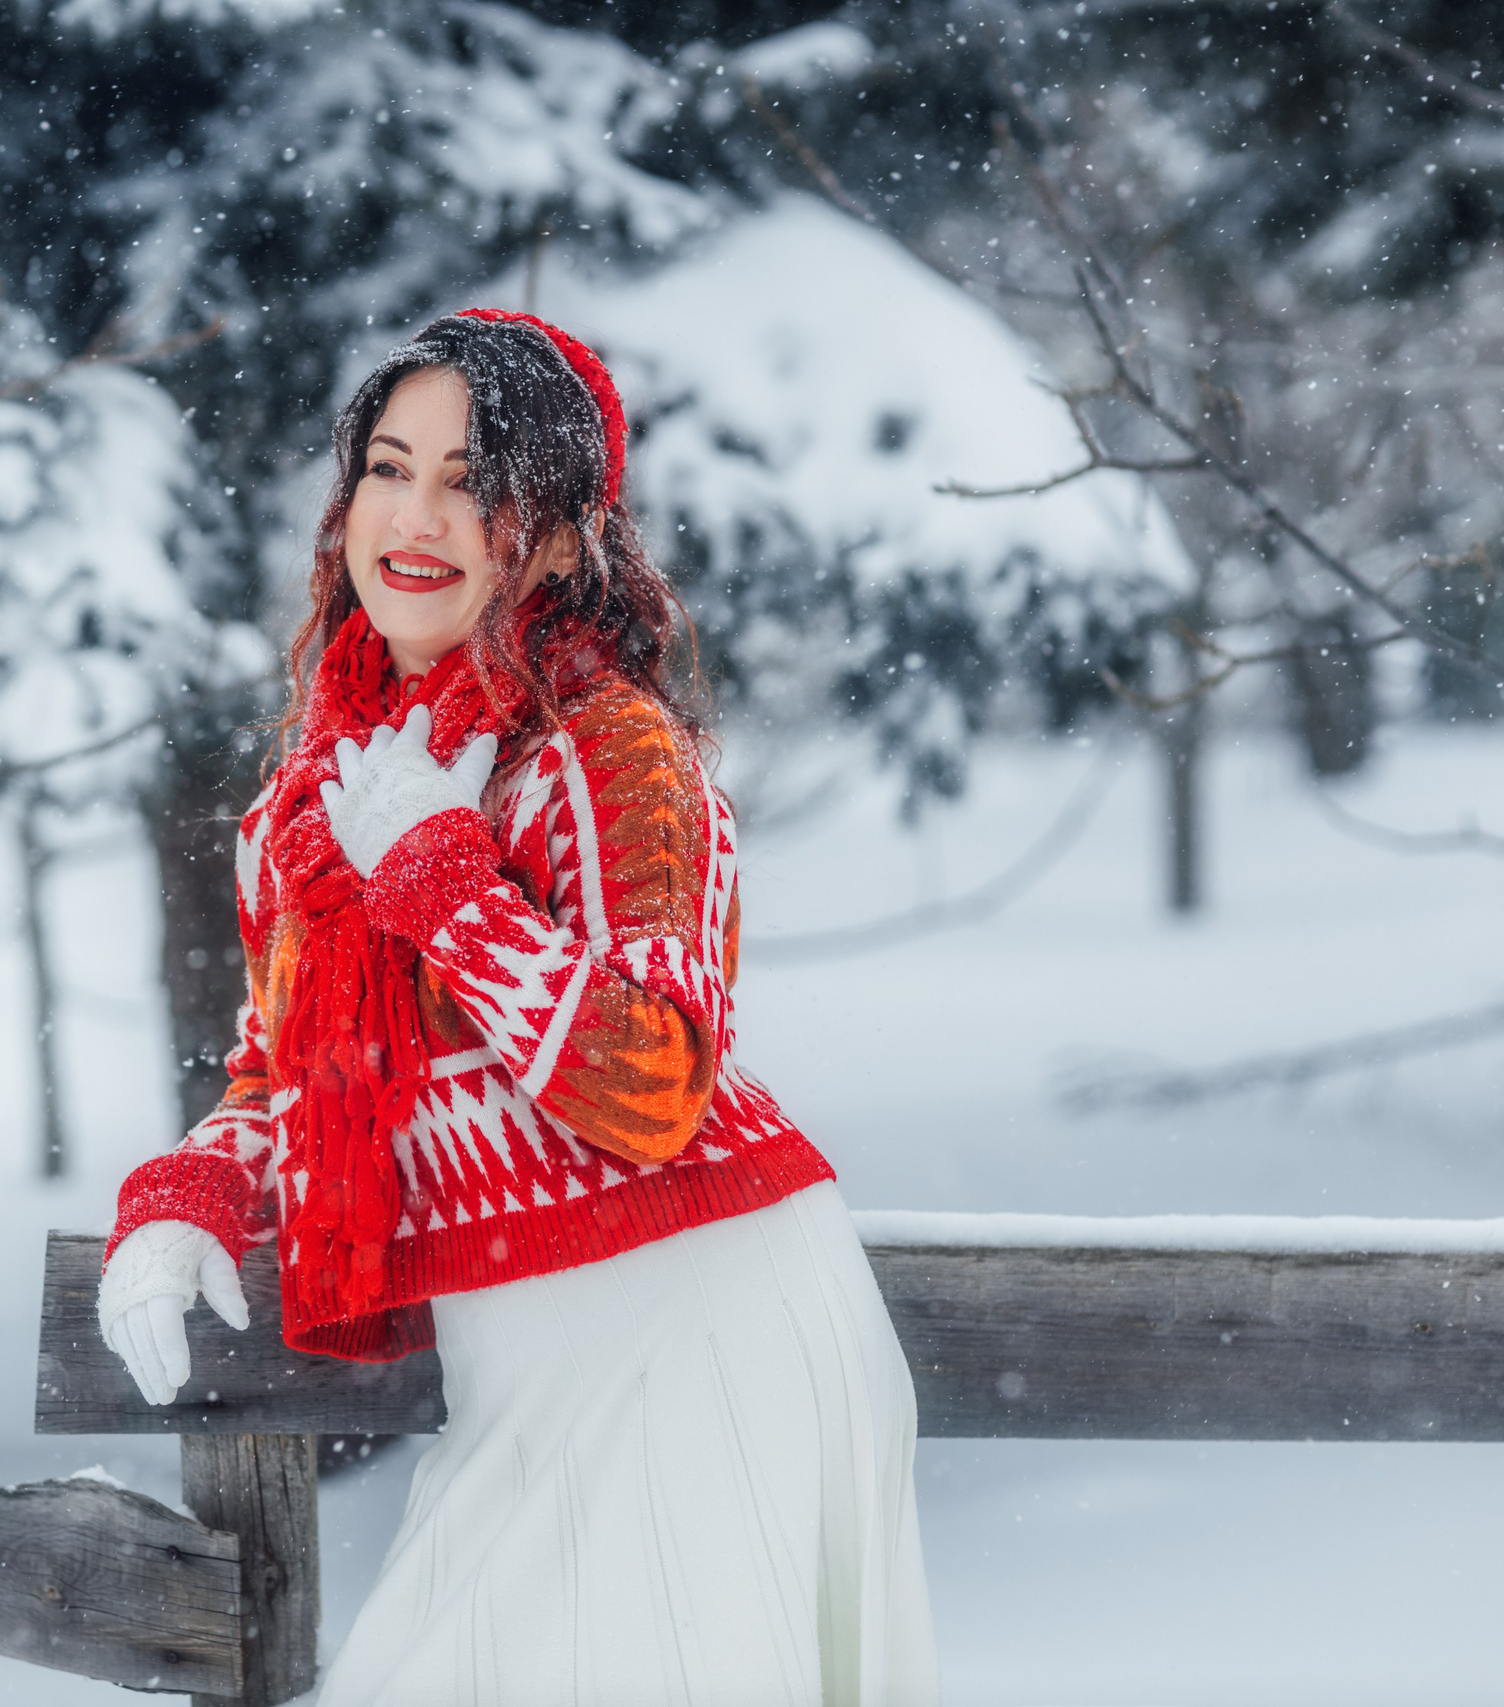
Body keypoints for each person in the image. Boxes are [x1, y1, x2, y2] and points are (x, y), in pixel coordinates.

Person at [97, 309, 941, 1706]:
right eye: (388, 466)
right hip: (531, 1366)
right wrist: (193, 1191)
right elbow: (285, 1075)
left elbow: (653, 1080)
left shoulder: (607, 754)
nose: (417, 515)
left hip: (699, 1322)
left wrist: (444, 879)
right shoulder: (315, 801)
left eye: (474, 480)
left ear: (555, 533)